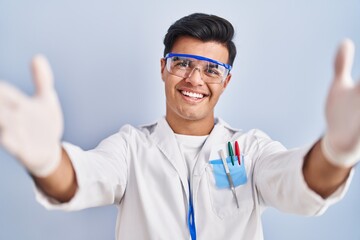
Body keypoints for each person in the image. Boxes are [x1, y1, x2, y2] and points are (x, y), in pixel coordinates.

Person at [0, 13, 358, 240]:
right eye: (182, 63)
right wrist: (47, 159)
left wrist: (337, 151)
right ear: (162, 68)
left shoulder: (247, 150)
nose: (194, 79)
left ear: (226, 82)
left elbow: (296, 181)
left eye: (211, 69)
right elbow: (82, 178)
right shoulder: (131, 148)